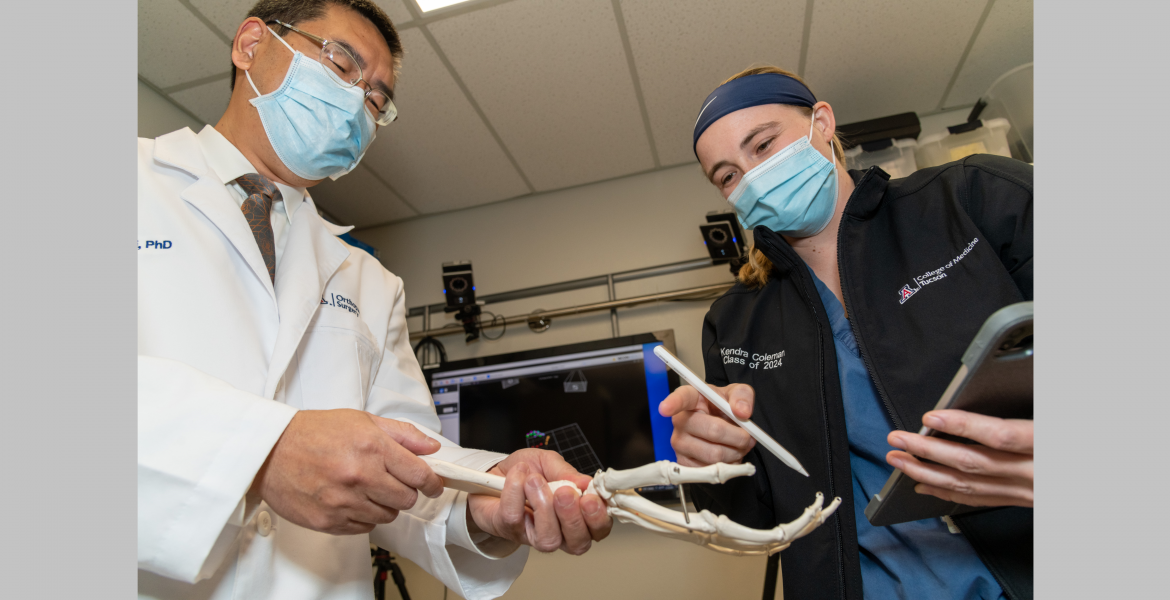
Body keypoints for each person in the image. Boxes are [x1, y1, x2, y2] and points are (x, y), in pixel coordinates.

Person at [137, 2, 611, 599]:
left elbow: (406, 456)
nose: (356, 104)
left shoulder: (368, 279)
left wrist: (488, 494)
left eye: (375, 100)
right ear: (251, 44)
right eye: (341, 63)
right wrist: (258, 453)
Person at [659, 66, 1033, 599]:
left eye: (763, 144)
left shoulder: (972, 200)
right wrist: (712, 459)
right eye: (727, 175)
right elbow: (759, 516)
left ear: (823, 123)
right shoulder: (736, 322)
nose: (753, 176)